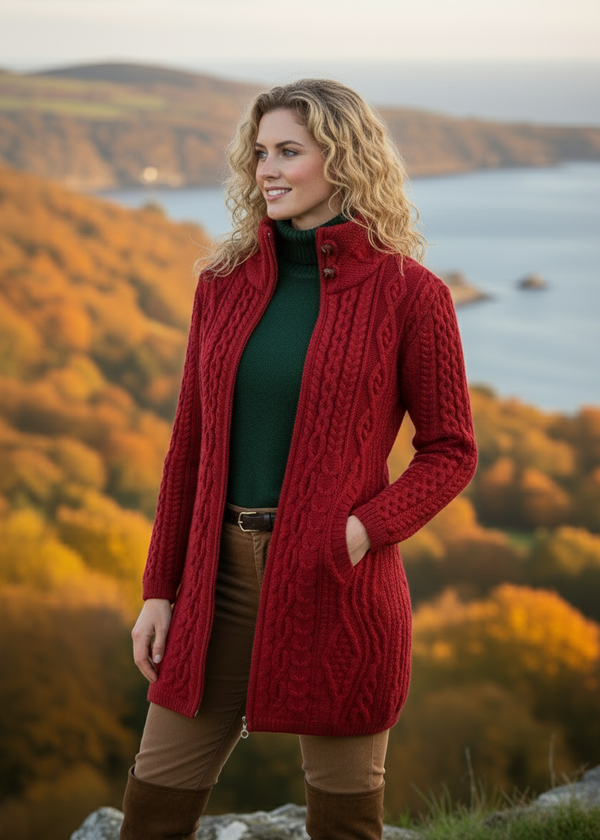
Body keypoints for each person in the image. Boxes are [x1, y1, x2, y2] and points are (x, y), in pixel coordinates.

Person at [120, 78, 478, 840]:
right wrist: (159, 588)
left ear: (342, 160)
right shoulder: (221, 285)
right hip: (214, 581)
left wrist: (360, 531)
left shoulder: (411, 295)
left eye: (289, 151)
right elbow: (189, 446)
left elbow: (450, 451)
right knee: (152, 808)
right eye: (259, 154)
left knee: (346, 822)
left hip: (336, 580)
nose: (267, 170)